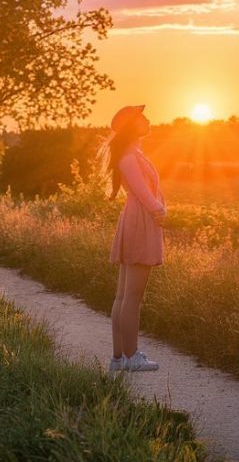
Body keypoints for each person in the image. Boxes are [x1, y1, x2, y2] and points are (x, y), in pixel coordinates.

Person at [100, 104, 167, 373]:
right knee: (132, 297)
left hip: (137, 221)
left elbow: (148, 191)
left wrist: (159, 207)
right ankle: (131, 356)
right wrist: (158, 210)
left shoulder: (132, 154)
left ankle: (119, 359)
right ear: (132, 125)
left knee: (123, 296)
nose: (148, 119)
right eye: (142, 117)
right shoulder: (129, 157)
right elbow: (142, 192)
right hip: (140, 222)